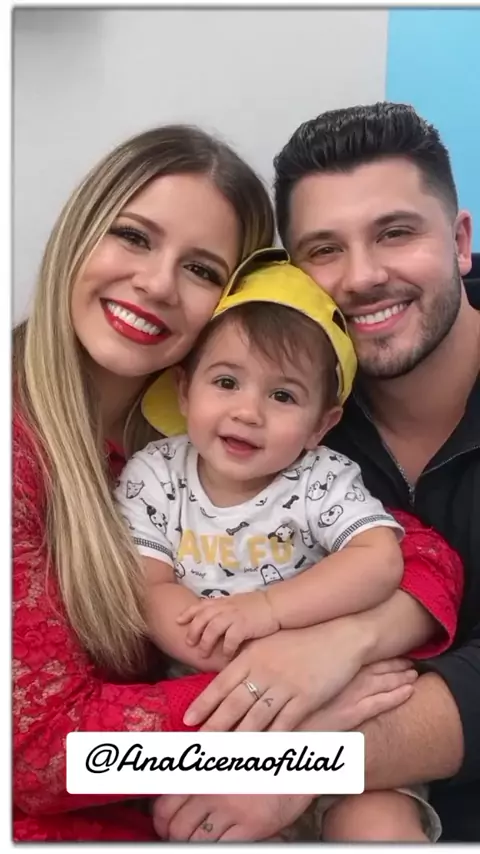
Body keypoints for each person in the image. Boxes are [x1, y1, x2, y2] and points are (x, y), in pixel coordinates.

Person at [152, 102, 478, 843]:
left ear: (460, 241)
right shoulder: (273, 417)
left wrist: (296, 766)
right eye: (324, 249)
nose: (362, 276)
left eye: (395, 232)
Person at [116, 247, 455, 841]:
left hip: (340, 703)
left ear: (322, 424)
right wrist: (235, 659)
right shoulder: (156, 474)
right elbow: (148, 588)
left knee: (379, 823)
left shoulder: (320, 477)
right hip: (216, 712)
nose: (248, 412)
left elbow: (379, 560)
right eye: (226, 382)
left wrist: (269, 610)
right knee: (189, 820)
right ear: (185, 389)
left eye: (283, 396)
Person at [12, 123, 276, 841]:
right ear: (79, 232)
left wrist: (351, 639)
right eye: (133, 236)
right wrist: (293, 716)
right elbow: (42, 757)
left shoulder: (215, 437)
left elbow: (413, 554)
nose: (157, 284)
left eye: (201, 270)